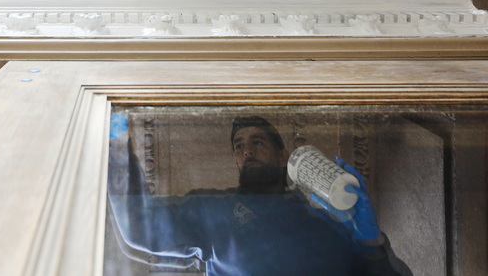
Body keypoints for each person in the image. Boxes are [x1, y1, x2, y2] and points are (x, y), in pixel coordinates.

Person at [106, 114, 413, 275]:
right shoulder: (216, 210)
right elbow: (140, 226)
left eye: (257, 142)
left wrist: (370, 242)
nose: (247, 151)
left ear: (283, 157)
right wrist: (117, 146)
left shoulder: (327, 221)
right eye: (239, 146)